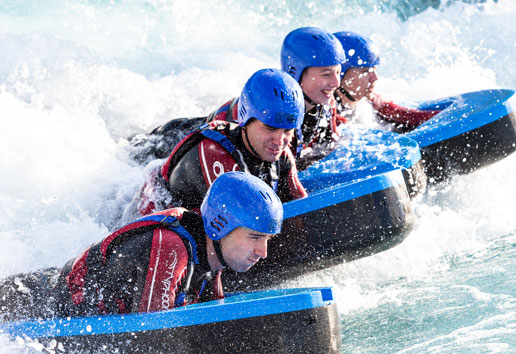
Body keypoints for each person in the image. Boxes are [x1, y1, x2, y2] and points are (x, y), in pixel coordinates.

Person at [0, 172, 283, 322]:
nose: (263, 252)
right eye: (255, 237)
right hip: (26, 302)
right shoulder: (170, 247)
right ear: (221, 225)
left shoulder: (213, 259)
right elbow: (152, 337)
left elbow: (215, 325)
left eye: (267, 240)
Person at [134, 68, 307, 216]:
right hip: (150, 207)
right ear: (246, 120)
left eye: (287, 130)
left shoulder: (281, 154)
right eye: (270, 128)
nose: (279, 140)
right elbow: (239, 231)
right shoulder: (215, 155)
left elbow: (302, 208)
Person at [333, 31, 441, 133]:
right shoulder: (326, 115)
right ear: (338, 74)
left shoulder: (373, 102)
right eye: (365, 72)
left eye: (374, 69)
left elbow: (416, 117)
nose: (375, 78)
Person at [279, 27, 348, 170]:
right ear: (295, 73)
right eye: (326, 74)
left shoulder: (327, 104)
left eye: (338, 72)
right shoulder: (278, 115)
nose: (336, 83)